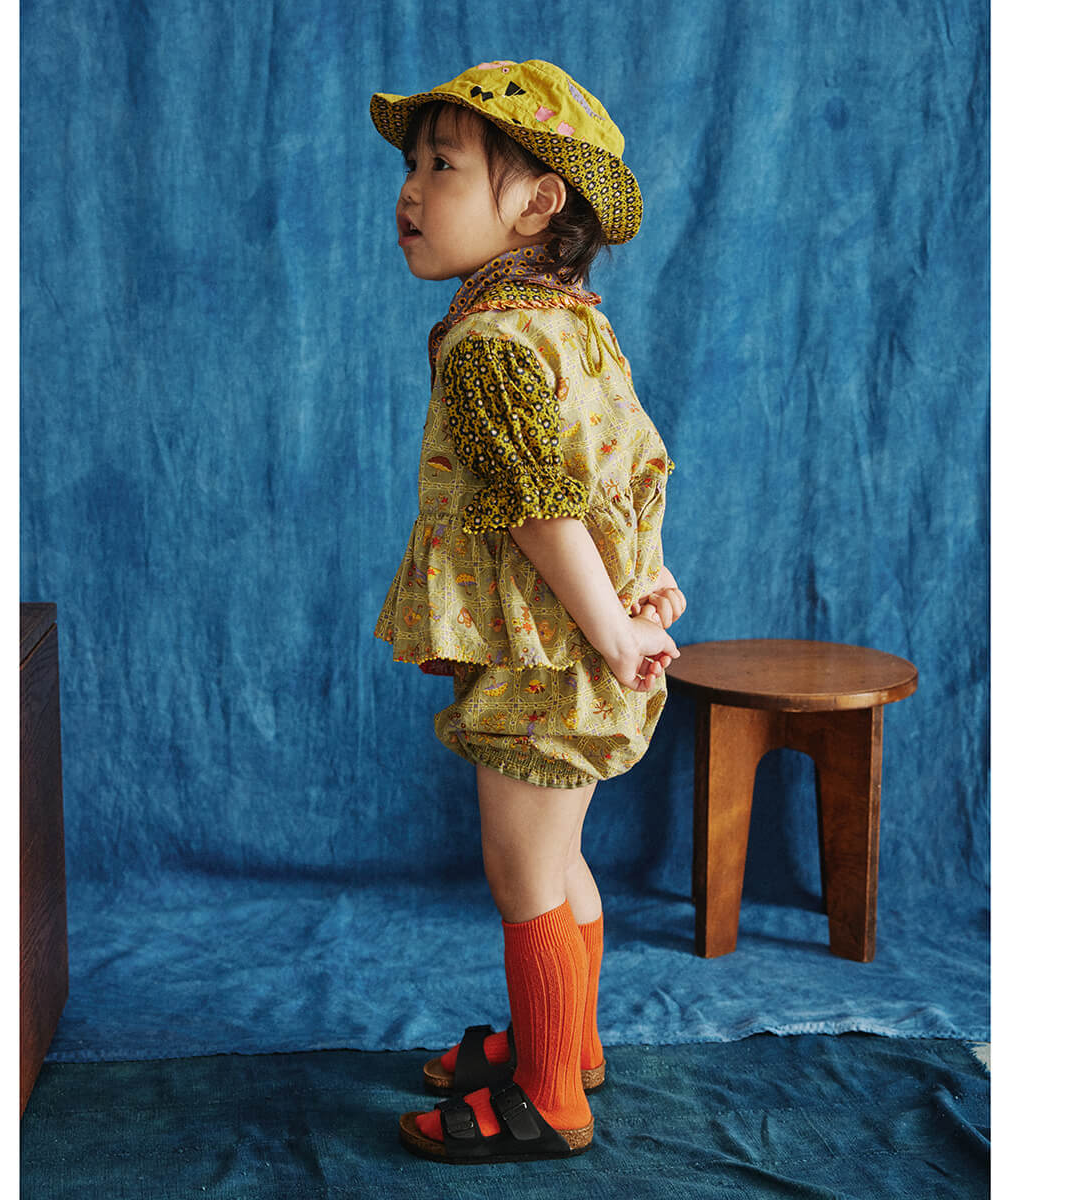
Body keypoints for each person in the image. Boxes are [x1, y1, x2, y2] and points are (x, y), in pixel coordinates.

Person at [370, 59, 687, 1164]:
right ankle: (570, 1042)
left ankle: (550, 1099)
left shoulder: (492, 343)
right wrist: (647, 585)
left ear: (538, 202)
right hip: (583, 639)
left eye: (443, 166)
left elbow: (543, 509)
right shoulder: (575, 324)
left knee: (524, 876)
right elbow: (629, 471)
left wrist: (612, 628)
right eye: (413, 165)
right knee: (562, 859)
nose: (411, 190)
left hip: (550, 652)